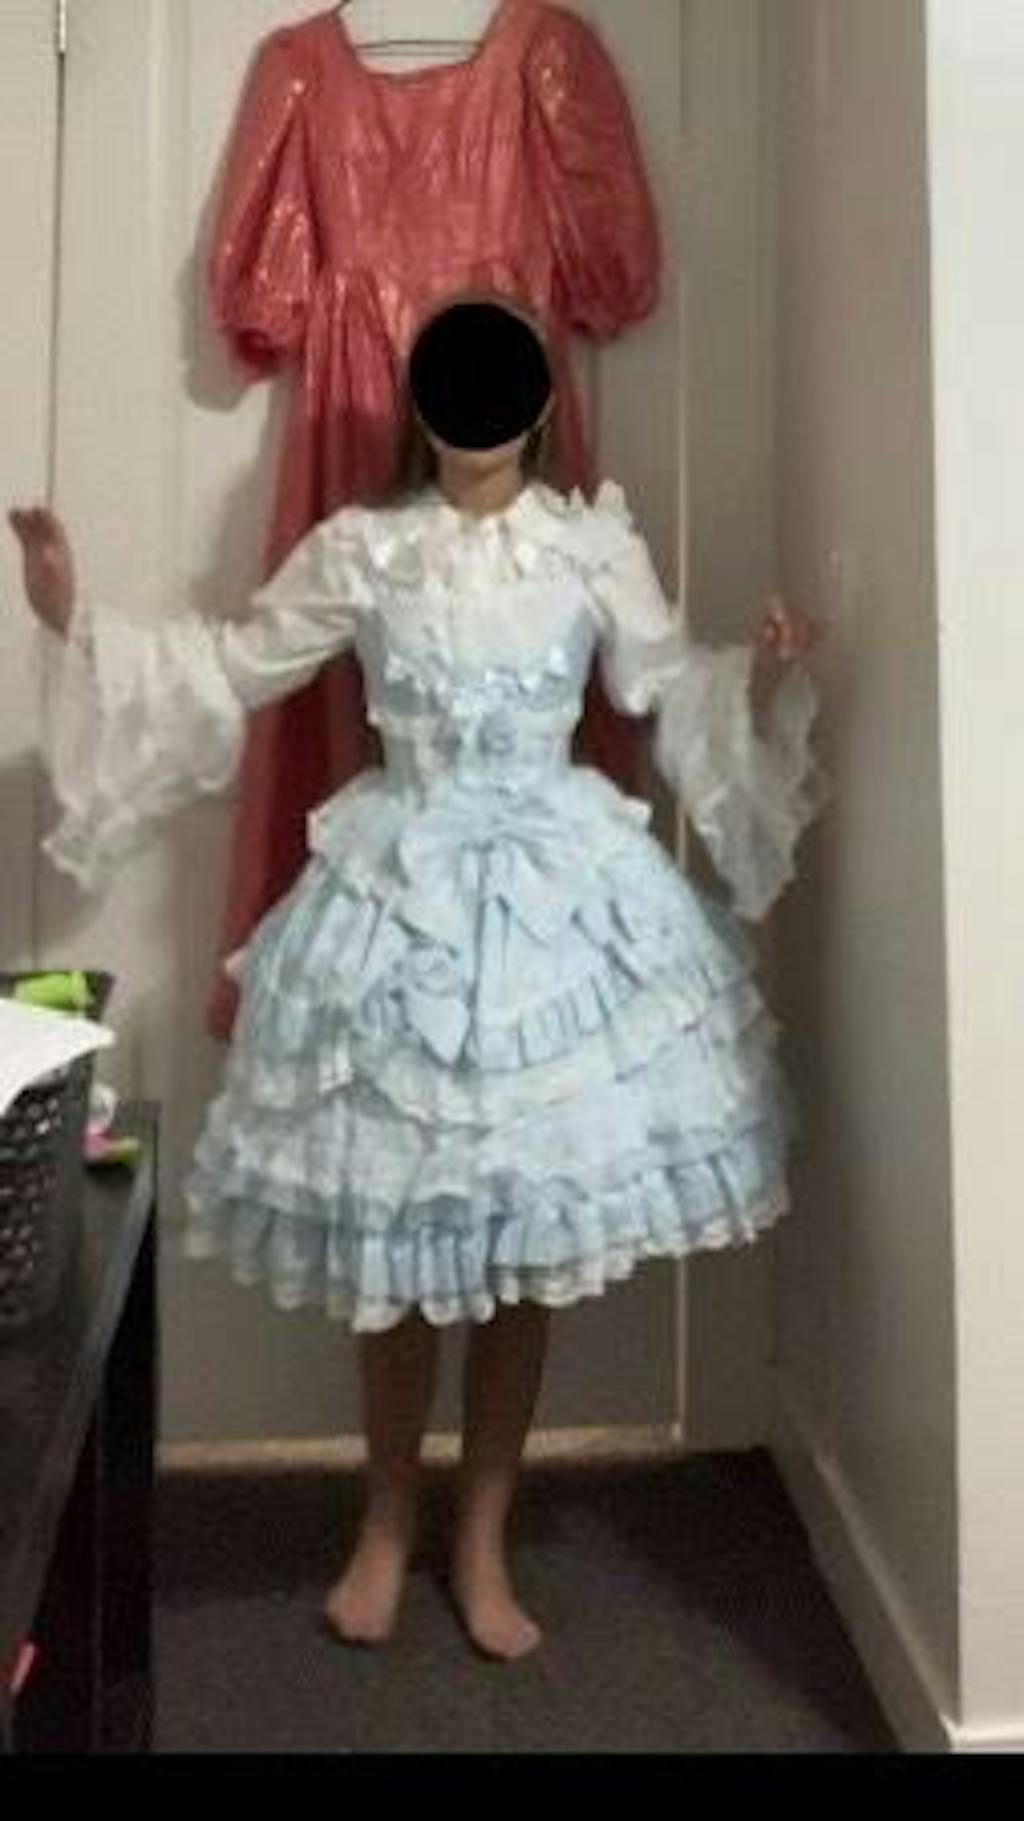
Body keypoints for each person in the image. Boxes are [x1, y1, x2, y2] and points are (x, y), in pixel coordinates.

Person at [8, 293, 826, 1663]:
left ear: (539, 402)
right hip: (399, 902)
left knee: (525, 1247)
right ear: (423, 404)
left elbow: (664, 682)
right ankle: (385, 1521)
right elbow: (234, 667)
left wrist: (756, 686)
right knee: (396, 1236)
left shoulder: (588, 544)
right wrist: (77, 619)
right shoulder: (365, 548)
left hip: (562, 903)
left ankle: (484, 1530)